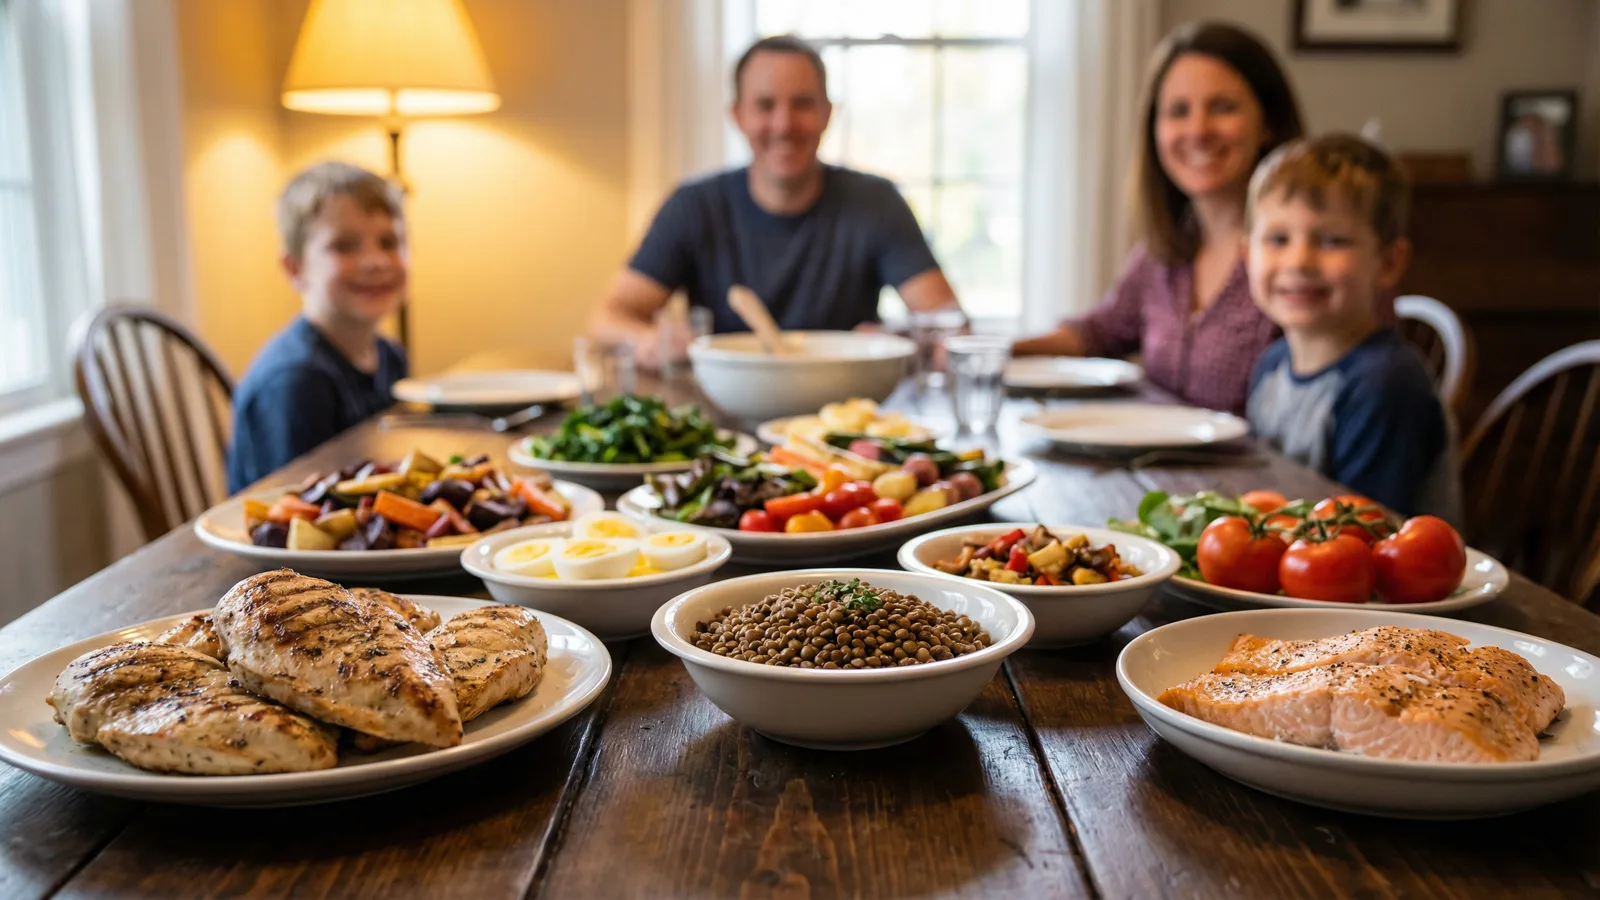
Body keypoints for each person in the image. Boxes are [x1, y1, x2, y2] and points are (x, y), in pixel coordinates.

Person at [589, 35, 962, 370]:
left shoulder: (876, 203)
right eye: (765, 105)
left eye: (802, 104)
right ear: (738, 116)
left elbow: (947, 321)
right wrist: (649, 340)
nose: (784, 124)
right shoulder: (693, 206)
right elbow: (607, 318)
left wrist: (898, 338)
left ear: (826, 114)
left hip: (844, 416)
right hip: (724, 420)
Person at [1012, 22, 1304, 415]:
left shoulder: (1302, 253)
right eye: (1178, 111)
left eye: (1223, 107)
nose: (1198, 130)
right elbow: (1100, 332)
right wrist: (995, 351)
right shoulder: (1165, 249)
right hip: (1163, 473)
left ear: (1268, 122)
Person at [1244, 133, 1460, 521]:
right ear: (1247, 255)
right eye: (1278, 239)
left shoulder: (1385, 386)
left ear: (1389, 263)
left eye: (1331, 241)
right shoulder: (1271, 365)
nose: (1298, 261)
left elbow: (1365, 540)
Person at [226, 161, 409, 493]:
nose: (376, 261)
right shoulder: (295, 381)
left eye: (389, 242)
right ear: (296, 269)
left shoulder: (390, 355)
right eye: (344, 246)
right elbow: (294, 506)